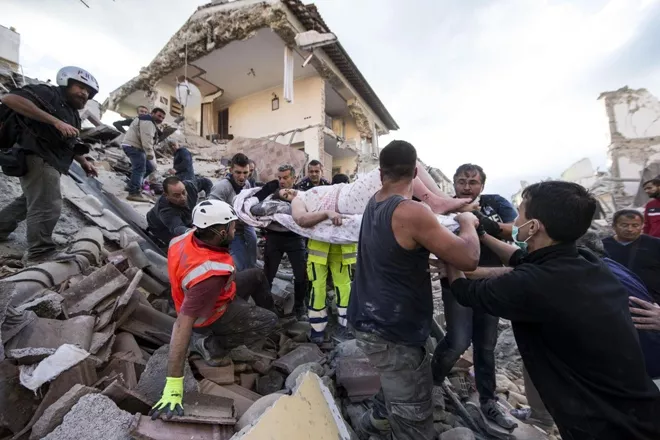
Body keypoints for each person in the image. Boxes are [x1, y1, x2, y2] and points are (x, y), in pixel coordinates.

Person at [442, 180, 660, 440]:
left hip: (608, 425)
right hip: (640, 409)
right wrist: (482, 235)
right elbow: (520, 259)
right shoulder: (585, 259)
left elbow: (464, 291)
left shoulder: (532, 284)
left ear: (533, 226)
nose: (515, 218)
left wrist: (455, 245)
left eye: (520, 212)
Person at [348, 140, 481, 440]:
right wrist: (467, 222)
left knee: (392, 378)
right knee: (414, 420)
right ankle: (389, 424)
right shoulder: (411, 212)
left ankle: (375, 422)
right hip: (393, 332)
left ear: (381, 173)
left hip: (367, 321)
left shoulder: (375, 201)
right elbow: (468, 259)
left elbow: (397, 248)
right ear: (416, 172)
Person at [149, 200, 278, 420]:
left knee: (256, 275)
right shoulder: (209, 275)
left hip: (216, 294)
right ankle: (211, 345)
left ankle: (256, 324)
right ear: (220, 232)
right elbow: (182, 324)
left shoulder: (185, 238)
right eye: (232, 226)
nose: (235, 229)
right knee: (268, 321)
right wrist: (173, 385)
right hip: (209, 315)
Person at [432, 163, 518, 430]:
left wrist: (481, 218)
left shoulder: (495, 203)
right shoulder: (446, 208)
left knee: (486, 345)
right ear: (454, 184)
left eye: (473, 182)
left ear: (482, 184)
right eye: (461, 181)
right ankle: (432, 384)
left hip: (490, 282)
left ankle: (488, 401)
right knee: (457, 341)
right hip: (456, 282)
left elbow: (514, 229)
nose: (467, 187)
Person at [0, 66, 99, 265]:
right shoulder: (48, 93)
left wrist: (84, 162)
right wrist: (56, 122)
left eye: (88, 92)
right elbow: (9, 99)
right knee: (48, 204)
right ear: (66, 82)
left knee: (28, 201)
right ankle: (40, 252)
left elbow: (69, 143)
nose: (84, 93)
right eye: (80, 87)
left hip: (52, 160)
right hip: (37, 155)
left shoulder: (72, 113)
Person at [278, 161, 476, 223]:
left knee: (411, 162)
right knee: (403, 166)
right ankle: (437, 202)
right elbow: (301, 220)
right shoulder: (299, 199)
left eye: (288, 190)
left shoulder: (313, 186)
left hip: (347, 191)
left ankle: (443, 200)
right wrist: (327, 213)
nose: (289, 192)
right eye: (285, 195)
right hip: (345, 201)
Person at [293, 167, 355, 343]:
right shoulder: (352, 202)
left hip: (319, 252)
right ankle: (345, 325)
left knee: (318, 287)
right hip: (343, 252)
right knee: (344, 287)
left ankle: (317, 330)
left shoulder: (318, 200)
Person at [263, 164, 308, 320]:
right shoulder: (271, 193)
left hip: (294, 238)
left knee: (301, 274)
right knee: (268, 274)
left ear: (294, 178)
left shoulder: (301, 196)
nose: (282, 181)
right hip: (274, 237)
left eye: (285, 178)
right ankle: (266, 307)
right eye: (279, 178)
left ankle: (299, 307)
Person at [209, 153, 257, 271]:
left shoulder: (247, 184)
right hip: (229, 228)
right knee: (239, 261)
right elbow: (211, 210)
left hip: (245, 224)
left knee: (253, 245)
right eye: (238, 172)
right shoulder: (221, 187)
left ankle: (251, 272)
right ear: (231, 170)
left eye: (245, 173)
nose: (242, 177)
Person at [603, 209, 660, 304]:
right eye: (624, 225)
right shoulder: (602, 246)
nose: (630, 229)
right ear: (614, 226)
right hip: (613, 301)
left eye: (635, 225)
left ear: (642, 226)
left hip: (652, 302)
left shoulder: (656, 244)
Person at [121, 107, 166, 202]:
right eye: (159, 116)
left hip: (135, 146)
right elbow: (147, 139)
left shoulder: (150, 122)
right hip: (133, 146)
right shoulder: (147, 121)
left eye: (162, 117)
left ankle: (131, 185)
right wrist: (149, 153)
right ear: (152, 113)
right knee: (140, 168)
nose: (160, 119)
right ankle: (134, 192)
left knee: (150, 167)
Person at [146, 177, 199, 249]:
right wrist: (192, 232)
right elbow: (177, 227)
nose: (182, 198)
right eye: (176, 195)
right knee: (180, 245)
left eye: (184, 192)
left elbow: (206, 182)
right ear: (166, 195)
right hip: (162, 227)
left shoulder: (189, 186)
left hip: (185, 216)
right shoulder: (164, 210)